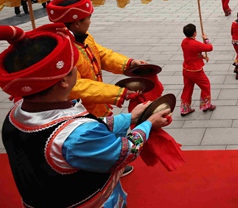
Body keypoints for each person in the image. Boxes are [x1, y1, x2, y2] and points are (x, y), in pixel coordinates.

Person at [0, 23, 171, 207]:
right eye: (74, 67)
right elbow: (125, 151)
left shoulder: (15, 114)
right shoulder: (78, 133)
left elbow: (91, 128)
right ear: (65, 81)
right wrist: (148, 124)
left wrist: (130, 118)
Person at [45, 0, 150, 118]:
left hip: (97, 106)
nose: (90, 22)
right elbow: (75, 86)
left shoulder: (85, 37)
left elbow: (101, 54)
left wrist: (129, 63)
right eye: (88, 18)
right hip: (79, 113)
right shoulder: (63, 50)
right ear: (77, 24)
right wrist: (117, 93)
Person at [181, 23, 215, 115]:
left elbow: (192, 54)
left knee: (187, 88)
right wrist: (206, 39)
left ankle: (185, 108)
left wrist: (202, 56)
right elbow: (210, 47)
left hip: (186, 69)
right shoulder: (195, 44)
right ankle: (205, 104)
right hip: (195, 70)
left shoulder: (184, 42)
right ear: (194, 33)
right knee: (205, 85)